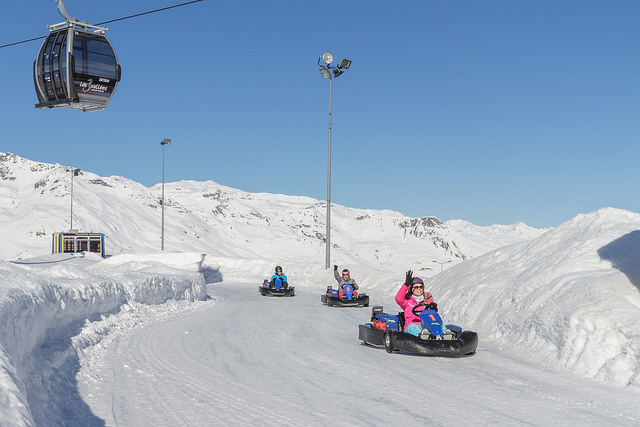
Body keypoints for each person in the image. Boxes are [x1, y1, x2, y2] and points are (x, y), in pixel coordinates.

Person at [394, 270, 438, 337]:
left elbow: (432, 315)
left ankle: (445, 334)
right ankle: (422, 336)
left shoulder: (428, 300)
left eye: (421, 287)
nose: (419, 289)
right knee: (412, 327)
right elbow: (398, 298)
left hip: (426, 326)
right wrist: (406, 285)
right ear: (411, 289)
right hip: (412, 327)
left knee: (438, 323)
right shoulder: (407, 301)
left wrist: (434, 308)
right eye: (416, 287)